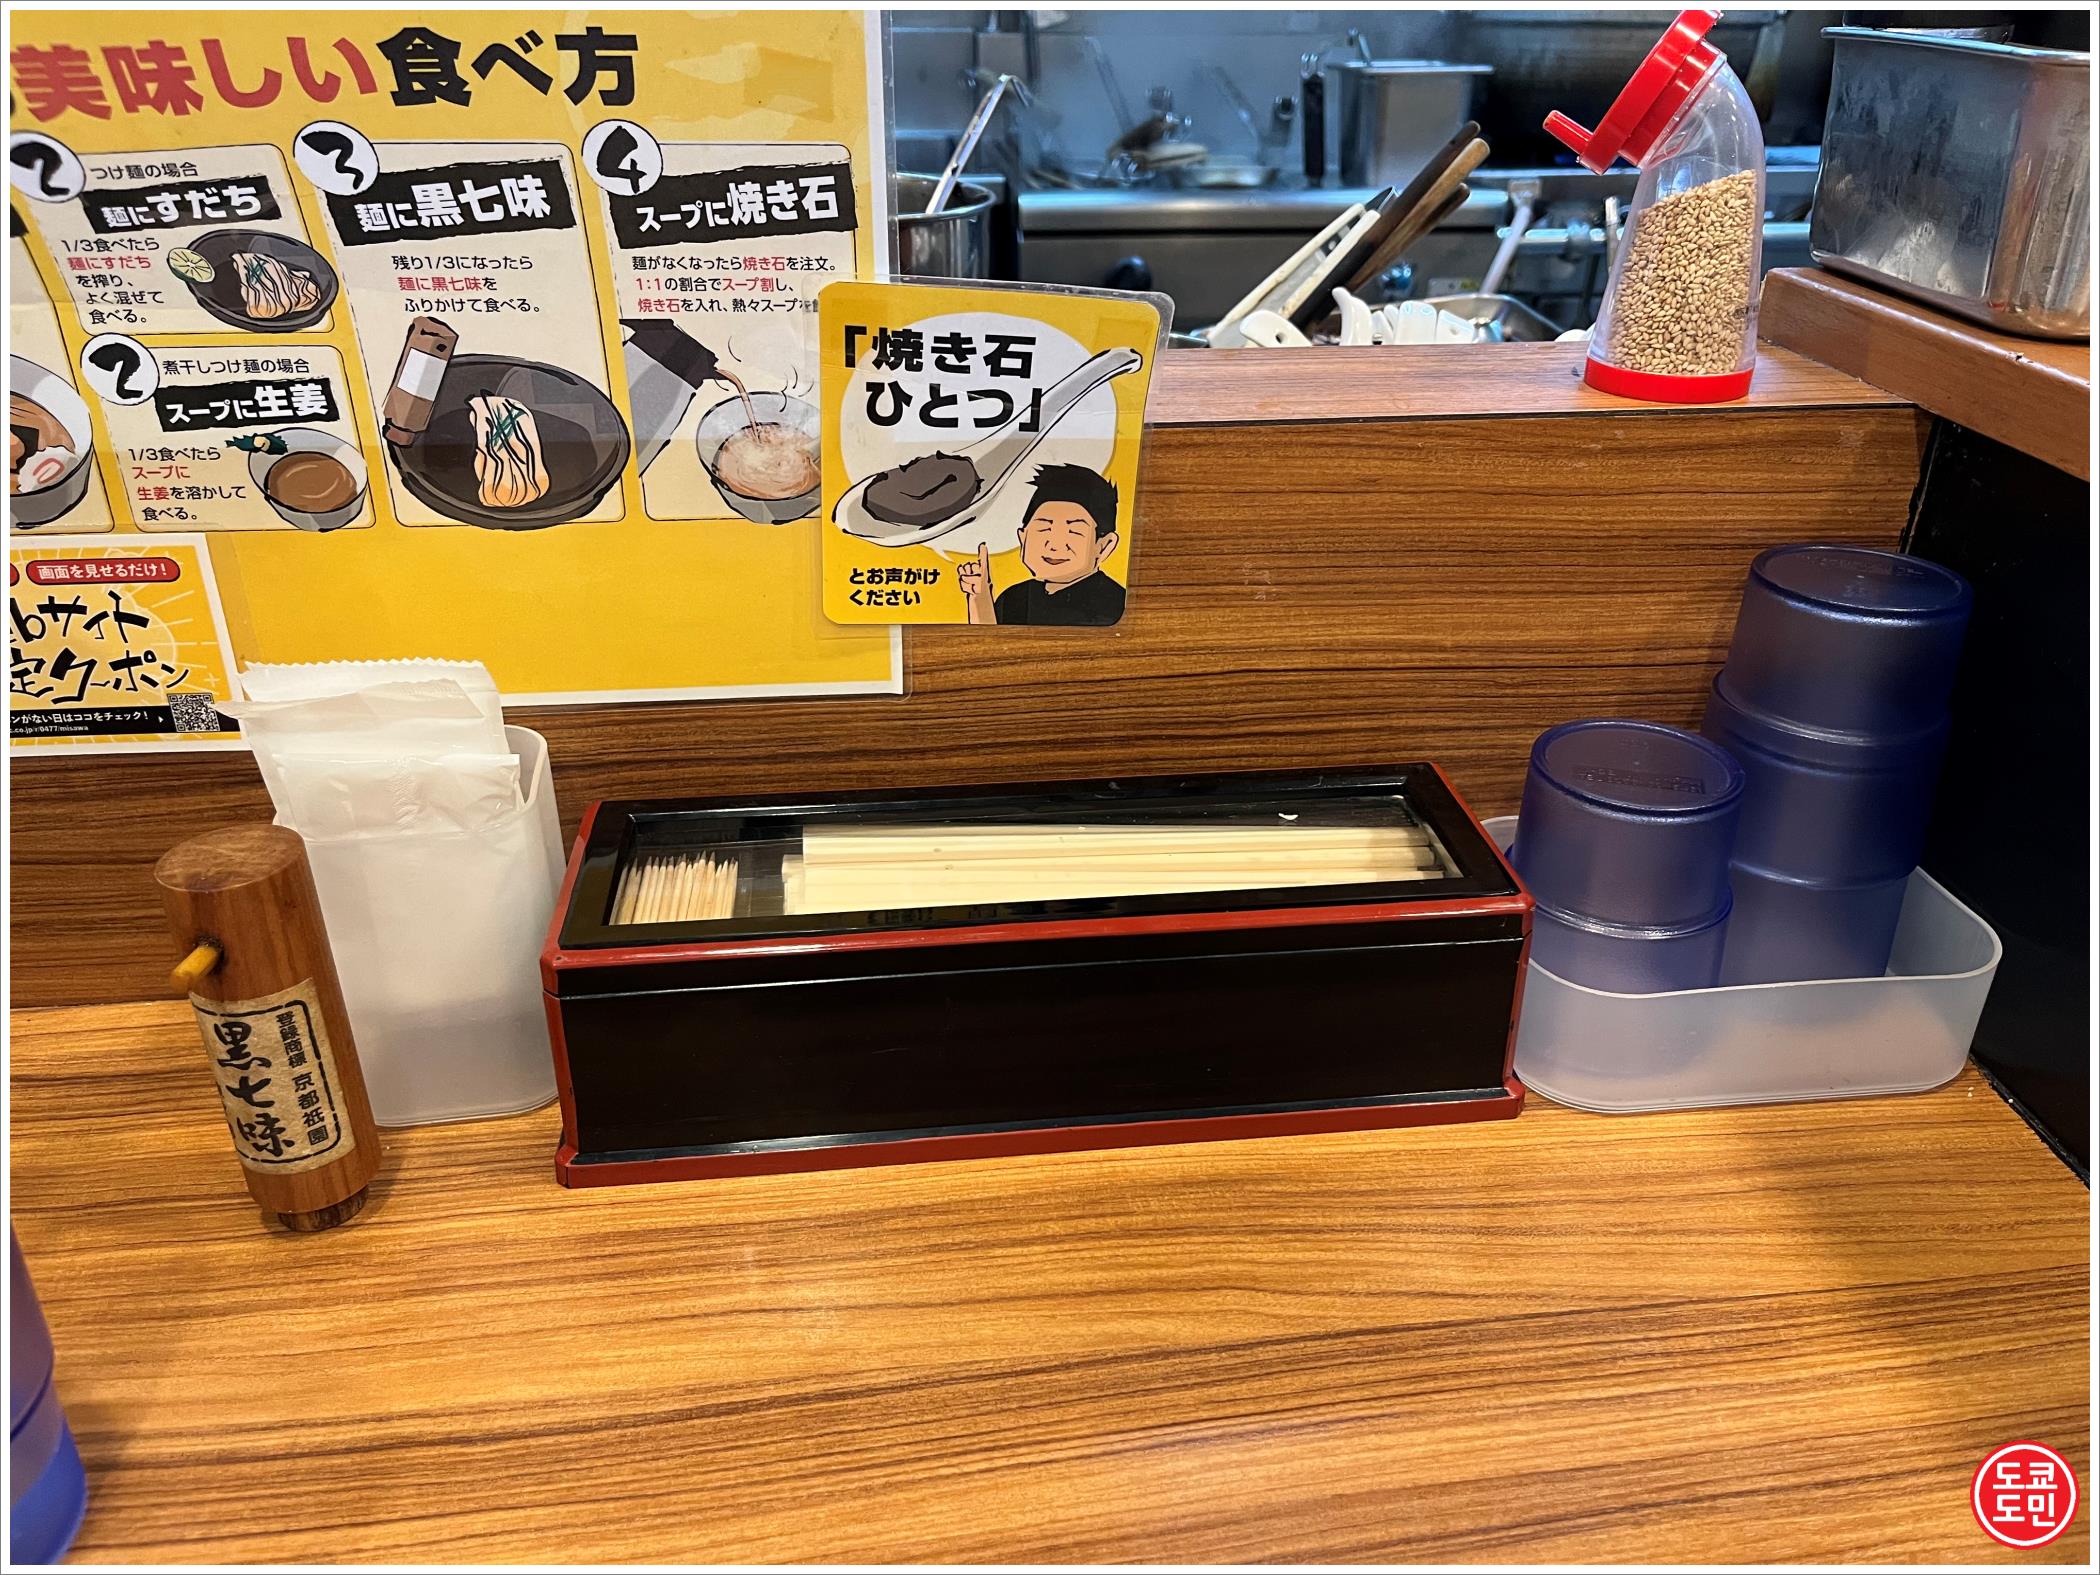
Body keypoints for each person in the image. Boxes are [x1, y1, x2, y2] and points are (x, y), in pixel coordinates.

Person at [958, 462, 1126, 626]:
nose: (1055, 545)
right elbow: (990, 642)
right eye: (1044, 528)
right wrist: (979, 599)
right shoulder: (1014, 598)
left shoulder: (1114, 606)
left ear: (1104, 546)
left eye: (1074, 531)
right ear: (1023, 537)